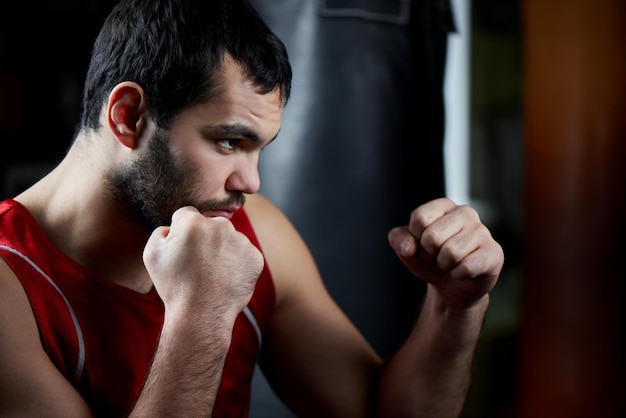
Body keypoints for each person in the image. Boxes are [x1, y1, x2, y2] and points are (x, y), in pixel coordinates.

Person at [0, 0, 504, 417]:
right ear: (129, 117)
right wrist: (203, 316)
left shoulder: (255, 233)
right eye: (227, 142)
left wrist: (456, 305)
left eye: (260, 148)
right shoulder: (10, 286)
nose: (252, 182)